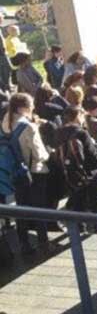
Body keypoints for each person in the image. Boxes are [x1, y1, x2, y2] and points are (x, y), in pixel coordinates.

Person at [1, 93, 51, 253]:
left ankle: (24, 244)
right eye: (31, 105)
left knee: (21, 208)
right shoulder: (28, 126)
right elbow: (40, 154)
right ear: (24, 107)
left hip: (14, 172)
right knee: (39, 209)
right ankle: (44, 242)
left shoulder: (5, 122)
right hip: (33, 172)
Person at [56, 106, 97, 233]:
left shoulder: (59, 132)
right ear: (77, 116)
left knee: (78, 201)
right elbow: (92, 155)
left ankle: (80, 227)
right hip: (90, 172)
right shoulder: (81, 132)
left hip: (72, 173)